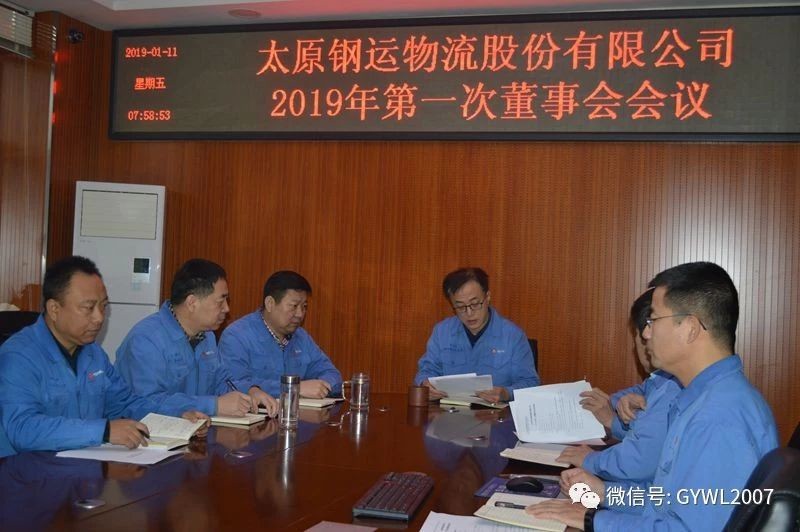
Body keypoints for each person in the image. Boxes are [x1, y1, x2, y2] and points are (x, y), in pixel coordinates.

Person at [527, 262, 778, 531]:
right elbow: (669, 501)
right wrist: (604, 493)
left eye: (653, 321)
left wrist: (592, 519)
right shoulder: (703, 397)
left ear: (690, 328)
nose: (646, 334)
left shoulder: (719, 417)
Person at [0, 256, 205, 453]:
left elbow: (126, 404)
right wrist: (104, 431)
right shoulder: (19, 356)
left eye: (103, 307)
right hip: (29, 472)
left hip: (82, 468)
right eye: (88, 308)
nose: (99, 318)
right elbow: (22, 428)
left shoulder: (94, 354)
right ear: (54, 309)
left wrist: (175, 416)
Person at [116, 259, 278, 417]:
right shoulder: (146, 340)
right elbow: (144, 403)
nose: (227, 309)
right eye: (221, 301)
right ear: (192, 302)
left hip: (195, 430)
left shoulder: (207, 336)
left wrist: (251, 391)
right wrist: (213, 406)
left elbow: (222, 383)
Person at [557, 289, 681, 482]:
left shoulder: (673, 386)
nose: (646, 335)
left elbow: (639, 464)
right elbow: (648, 434)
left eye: (651, 325)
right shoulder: (663, 379)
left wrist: (592, 461)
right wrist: (612, 412)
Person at [414, 267, 540, 403]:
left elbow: (530, 382)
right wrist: (425, 385)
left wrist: (506, 393)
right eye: (460, 307)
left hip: (496, 413)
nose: (469, 313)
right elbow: (426, 371)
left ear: (488, 297)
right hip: (450, 411)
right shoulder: (442, 332)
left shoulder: (513, 336)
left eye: (474, 304)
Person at [218, 271, 342, 399]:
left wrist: (322, 386)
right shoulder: (236, 336)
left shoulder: (301, 337)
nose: (300, 314)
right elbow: (234, 385)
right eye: (294, 306)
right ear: (270, 304)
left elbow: (332, 374)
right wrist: (293, 388)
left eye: (304, 306)